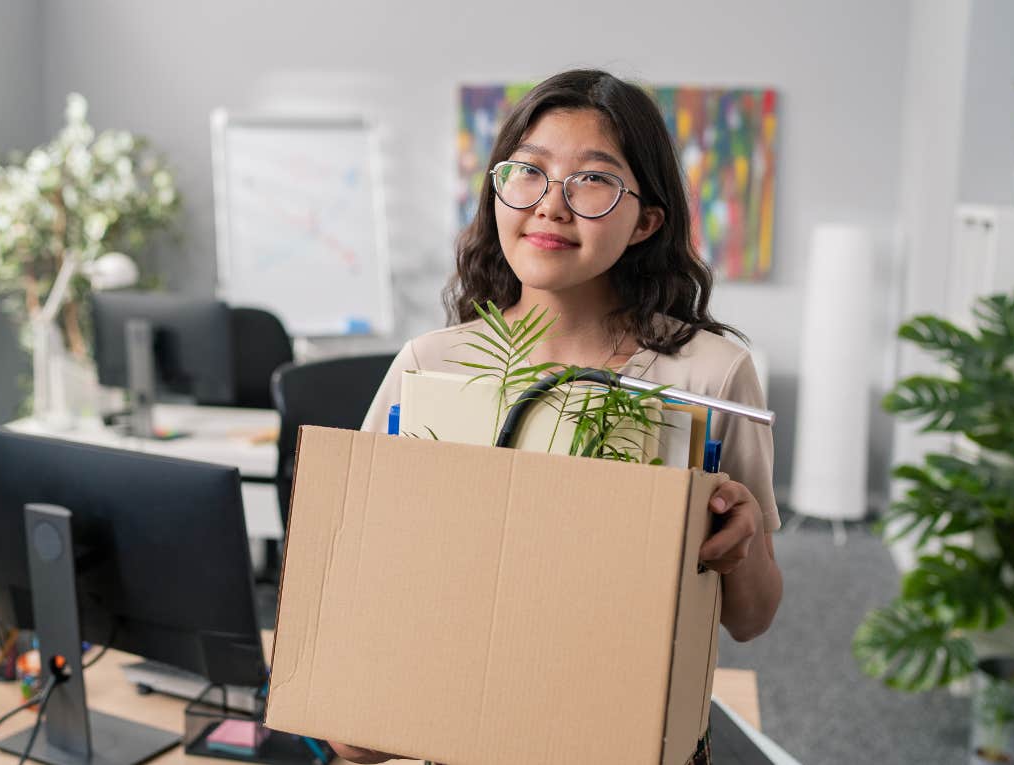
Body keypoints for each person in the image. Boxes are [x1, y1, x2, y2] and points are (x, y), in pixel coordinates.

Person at [330, 69, 783, 765]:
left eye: (592, 181)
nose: (551, 206)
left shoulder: (710, 375)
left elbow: (752, 619)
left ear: (647, 221)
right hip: (458, 734)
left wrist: (740, 541)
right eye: (528, 173)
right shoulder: (430, 365)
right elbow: (364, 585)